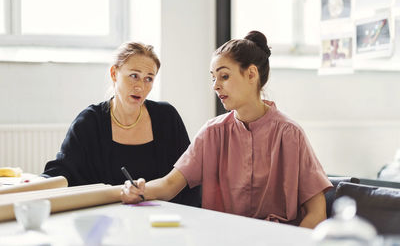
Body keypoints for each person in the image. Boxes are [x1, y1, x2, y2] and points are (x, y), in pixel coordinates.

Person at [121, 31, 333, 228]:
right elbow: (169, 185)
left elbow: (317, 213)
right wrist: (140, 189)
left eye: (224, 76)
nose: (215, 85)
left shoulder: (289, 134)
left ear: (251, 74)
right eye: (213, 77)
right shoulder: (211, 133)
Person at [42, 42, 201, 207]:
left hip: (161, 219)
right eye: (134, 75)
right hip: (106, 221)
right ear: (114, 74)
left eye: (149, 78)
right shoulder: (89, 122)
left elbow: (188, 178)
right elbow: (62, 171)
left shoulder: (167, 118)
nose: (140, 86)